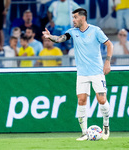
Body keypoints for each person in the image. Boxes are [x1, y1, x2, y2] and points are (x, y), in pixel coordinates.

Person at [43, 8, 113, 141]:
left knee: (102, 100)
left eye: (75, 17)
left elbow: (109, 45)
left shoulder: (95, 31)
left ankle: (106, 124)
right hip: (82, 74)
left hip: (97, 72)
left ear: (83, 18)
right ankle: (84, 133)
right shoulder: (72, 32)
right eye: (73, 17)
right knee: (81, 101)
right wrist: (50, 37)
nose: (73, 20)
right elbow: (60, 39)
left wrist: (107, 63)